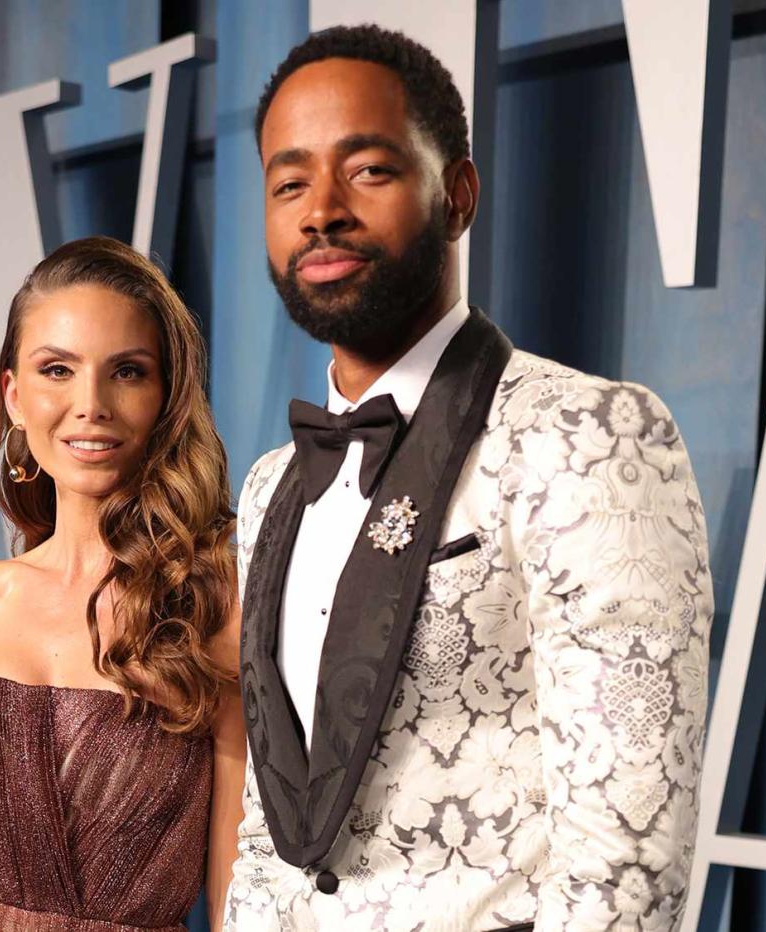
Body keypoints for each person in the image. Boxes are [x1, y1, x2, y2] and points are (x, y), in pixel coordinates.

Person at [224, 25, 713, 932]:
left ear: (456, 196)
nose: (320, 208)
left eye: (367, 169)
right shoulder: (268, 487)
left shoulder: (589, 435)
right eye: (289, 182)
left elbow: (629, 855)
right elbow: (271, 824)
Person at [0, 236, 246, 932]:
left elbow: (237, 864)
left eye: (127, 372)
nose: (91, 404)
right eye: (57, 370)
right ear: (14, 396)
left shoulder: (212, 606)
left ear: (165, 397)